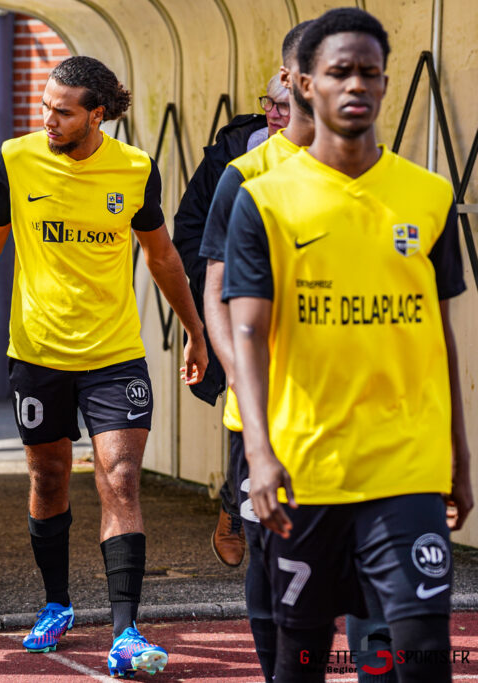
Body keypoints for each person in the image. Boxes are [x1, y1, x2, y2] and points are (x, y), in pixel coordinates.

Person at [0, 56, 208, 678]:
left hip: (114, 353)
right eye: (45, 106)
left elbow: (161, 256)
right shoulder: (17, 158)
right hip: (38, 354)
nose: (48, 118)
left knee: (120, 478)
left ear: (98, 114)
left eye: (63, 110)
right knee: (48, 480)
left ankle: (125, 632)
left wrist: (195, 331)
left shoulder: (135, 168)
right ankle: (56, 603)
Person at [225, 9, 472, 682]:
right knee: (299, 660)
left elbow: (439, 330)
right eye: (339, 71)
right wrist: (259, 453)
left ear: (386, 83)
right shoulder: (266, 200)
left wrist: (459, 452)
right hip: (310, 468)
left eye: (369, 72)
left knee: (419, 658)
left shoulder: (428, 197)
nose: (355, 84)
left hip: (406, 468)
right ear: (305, 84)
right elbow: (247, 334)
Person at [200, 24, 311, 679]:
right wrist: (241, 377)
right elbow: (215, 286)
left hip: (346, 411)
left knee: (351, 564)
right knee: (272, 554)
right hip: (263, 408)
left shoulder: (384, 180)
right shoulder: (243, 174)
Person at [171, 86, 267, 571]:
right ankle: (236, 509)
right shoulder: (234, 151)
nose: (278, 115)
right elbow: (188, 227)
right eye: (272, 104)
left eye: (290, 106)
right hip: (239, 307)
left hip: (312, 308)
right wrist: (218, 279)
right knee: (246, 413)